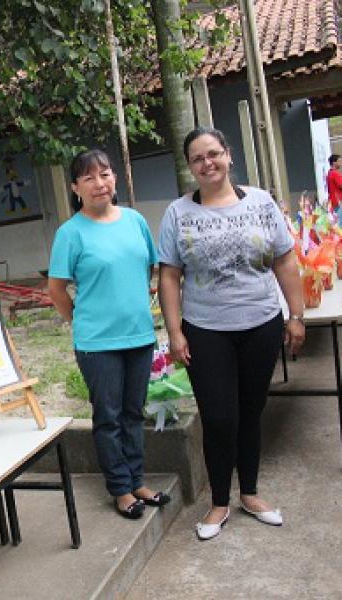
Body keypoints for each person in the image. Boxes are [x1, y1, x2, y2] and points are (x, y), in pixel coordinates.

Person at [157, 127, 305, 541]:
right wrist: (175, 331)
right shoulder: (178, 213)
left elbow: (285, 261)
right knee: (219, 417)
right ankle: (219, 502)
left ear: (228, 155)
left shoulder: (260, 202)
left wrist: (296, 315)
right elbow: (169, 276)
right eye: (198, 158)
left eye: (213, 154)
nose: (207, 163)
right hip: (206, 331)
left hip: (261, 323)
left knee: (251, 412)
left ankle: (250, 494)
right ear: (190, 167)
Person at [48, 149, 169, 520]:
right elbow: (56, 289)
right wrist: (81, 321)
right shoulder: (70, 233)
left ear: (114, 178)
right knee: (108, 416)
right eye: (89, 178)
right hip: (97, 343)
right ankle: (120, 489)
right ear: (75, 187)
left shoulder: (135, 221)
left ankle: (137, 480)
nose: (99, 183)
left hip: (139, 336)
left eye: (105, 174)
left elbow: (149, 270)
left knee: (133, 413)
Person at [327, 154, 342, 221]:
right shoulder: (335, 174)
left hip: (334, 202)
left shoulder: (329, 173)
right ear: (334, 163)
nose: (340, 163)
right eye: (339, 161)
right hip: (338, 202)